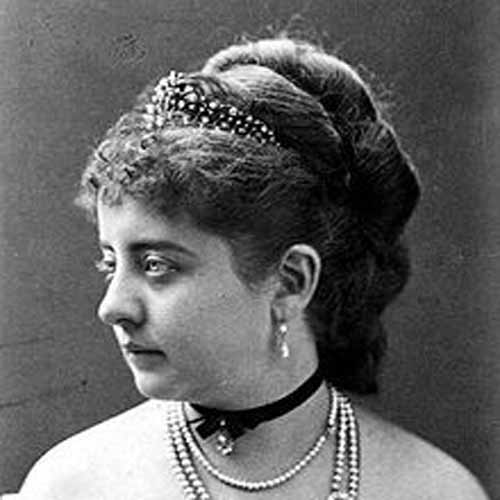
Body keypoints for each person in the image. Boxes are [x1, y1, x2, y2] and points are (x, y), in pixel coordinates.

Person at [16, 37, 489, 500]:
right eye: (110, 263)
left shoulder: (435, 491)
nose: (112, 307)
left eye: (156, 265)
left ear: (291, 281)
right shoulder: (72, 487)